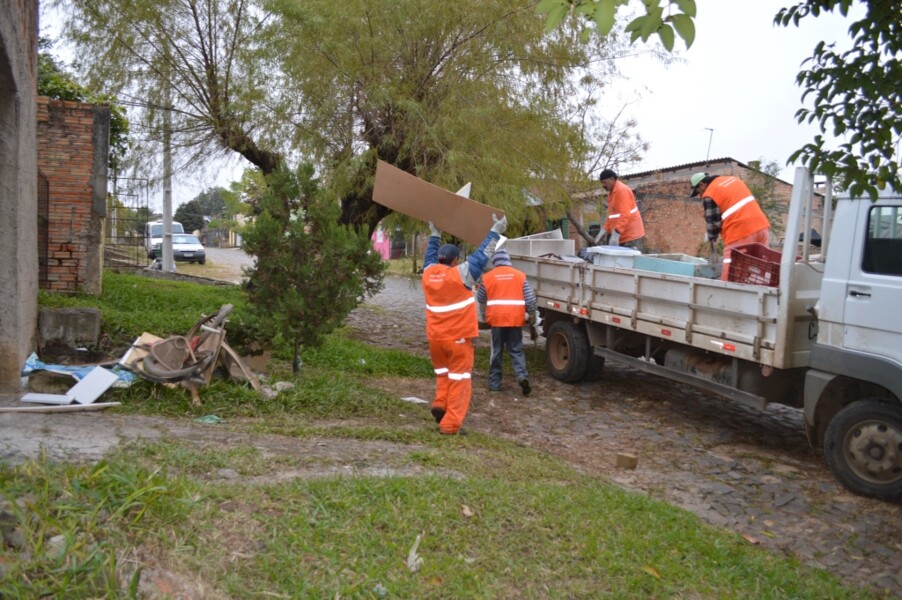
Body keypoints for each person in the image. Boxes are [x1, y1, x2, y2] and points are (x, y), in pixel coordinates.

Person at [422, 215, 507, 436]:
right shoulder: (461, 275)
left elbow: (430, 257)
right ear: (456, 260)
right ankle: (450, 425)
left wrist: (434, 234)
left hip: (435, 340)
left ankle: (440, 405)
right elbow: (481, 256)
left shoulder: (428, 273)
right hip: (457, 339)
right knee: (460, 380)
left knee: (443, 374)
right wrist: (496, 230)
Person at [476, 249, 538, 396]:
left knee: (496, 351)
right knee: (516, 350)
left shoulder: (488, 277)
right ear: (508, 260)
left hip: (497, 320)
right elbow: (530, 299)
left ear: (495, 261)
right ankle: (522, 376)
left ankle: (494, 383)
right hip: (516, 319)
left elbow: (480, 298)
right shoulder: (520, 276)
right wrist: (532, 314)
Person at [690, 172, 771, 281]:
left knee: (731, 272)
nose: (700, 196)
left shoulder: (710, 193)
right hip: (761, 227)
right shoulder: (733, 180)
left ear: (702, 185)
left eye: (699, 192)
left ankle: (727, 297)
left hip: (740, 232)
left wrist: (711, 238)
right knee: (757, 270)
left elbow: (713, 223)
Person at [597, 169, 645, 250]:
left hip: (631, 235)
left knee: (630, 261)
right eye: (602, 183)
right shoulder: (612, 193)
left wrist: (616, 233)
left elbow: (625, 214)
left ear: (612, 179)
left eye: (604, 182)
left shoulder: (622, 191)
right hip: (622, 234)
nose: (603, 185)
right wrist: (605, 229)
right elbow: (612, 216)